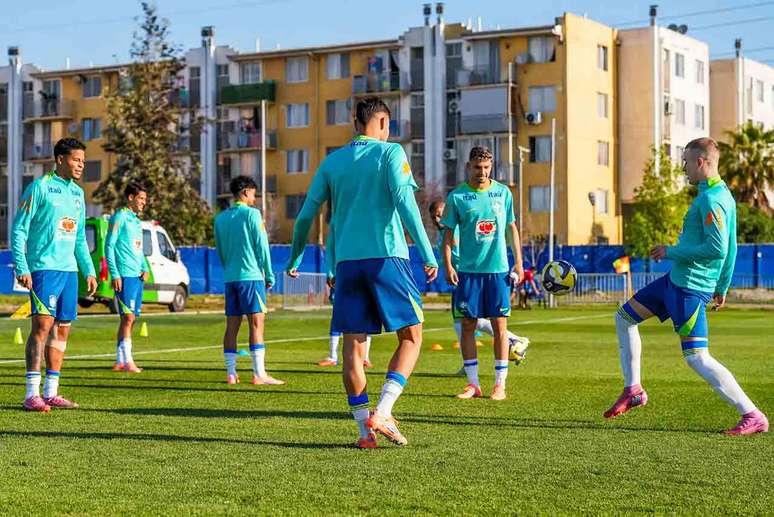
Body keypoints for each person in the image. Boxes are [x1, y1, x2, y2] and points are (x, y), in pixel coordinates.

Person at [287, 96, 438, 448]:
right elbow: (405, 204)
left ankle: (364, 433)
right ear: (383, 123)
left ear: (355, 123)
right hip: (387, 259)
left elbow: (307, 215)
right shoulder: (391, 154)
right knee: (412, 336)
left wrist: (294, 258)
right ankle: (384, 410)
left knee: (353, 350)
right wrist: (428, 253)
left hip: (347, 266)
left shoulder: (333, 162)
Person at [606, 137, 768, 436]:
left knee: (697, 357)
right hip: (676, 281)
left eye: (685, 162)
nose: (683, 168)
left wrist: (671, 252)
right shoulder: (720, 194)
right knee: (624, 317)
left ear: (701, 162)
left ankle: (752, 414)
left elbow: (718, 249)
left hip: (690, 288)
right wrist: (723, 285)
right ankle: (633, 390)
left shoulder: (711, 199)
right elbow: (731, 246)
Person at [11, 137, 97, 412]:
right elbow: (18, 230)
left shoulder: (78, 194)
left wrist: (89, 271)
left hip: (69, 271)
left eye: (83, 160)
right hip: (44, 268)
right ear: (60, 159)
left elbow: (81, 237)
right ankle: (31, 394)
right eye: (76, 159)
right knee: (42, 328)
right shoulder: (40, 187)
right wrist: (22, 266)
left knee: (62, 330)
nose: (81, 165)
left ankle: (52, 392)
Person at [441, 146, 524, 401]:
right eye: (478, 167)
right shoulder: (457, 197)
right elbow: (446, 238)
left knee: (500, 326)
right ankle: (473, 384)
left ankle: (500, 385)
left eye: (487, 167)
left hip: (497, 271)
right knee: (468, 325)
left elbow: (512, 228)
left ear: (492, 167)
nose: (482, 172)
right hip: (468, 272)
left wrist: (518, 263)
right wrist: (448, 266)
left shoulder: (502, 193)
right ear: (469, 166)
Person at [429, 200, 529, 368]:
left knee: (465, 322)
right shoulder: (443, 234)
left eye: (440, 215)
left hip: (469, 278)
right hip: (460, 279)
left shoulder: (456, 230)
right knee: (467, 321)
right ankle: (511, 341)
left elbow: (465, 248)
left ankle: (511, 341)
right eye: (434, 217)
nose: (438, 220)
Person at [214, 175, 283, 386]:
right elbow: (262, 246)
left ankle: (231, 373)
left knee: (232, 326)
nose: (255, 197)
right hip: (251, 277)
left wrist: (229, 271)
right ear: (245, 192)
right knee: (256, 324)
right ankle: (259, 374)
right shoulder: (253, 215)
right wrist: (269, 274)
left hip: (231, 279)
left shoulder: (220, 219)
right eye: (253, 193)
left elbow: (220, 250)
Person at [106, 181, 149, 373]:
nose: (143, 203)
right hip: (124, 275)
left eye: (145, 199)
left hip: (136, 275)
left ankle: (119, 360)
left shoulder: (136, 220)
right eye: (141, 198)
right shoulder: (120, 217)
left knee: (129, 318)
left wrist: (144, 266)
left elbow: (138, 249)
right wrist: (114, 273)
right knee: (129, 317)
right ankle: (128, 361)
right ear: (131, 198)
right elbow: (109, 245)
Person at [318, 227, 372, 368]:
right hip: (342, 275)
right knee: (339, 316)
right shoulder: (338, 223)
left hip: (364, 274)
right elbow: (330, 251)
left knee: (365, 315)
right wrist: (330, 273)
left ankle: (365, 356)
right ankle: (332, 356)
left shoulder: (367, 223)